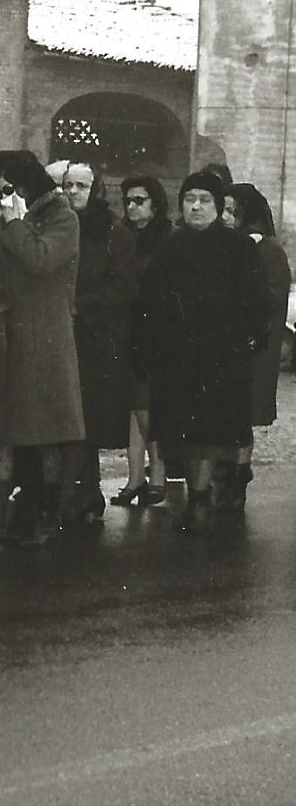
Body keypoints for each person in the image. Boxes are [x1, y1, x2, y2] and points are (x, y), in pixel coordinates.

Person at [134, 172, 270, 532]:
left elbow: (257, 303)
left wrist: (248, 340)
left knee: (209, 436)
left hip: (221, 360)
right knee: (184, 435)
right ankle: (199, 494)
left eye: (204, 199)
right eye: (189, 198)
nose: (195, 206)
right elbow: (149, 302)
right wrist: (147, 347)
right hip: (177, 361)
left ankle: (199, 500)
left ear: (218, 205)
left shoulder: (239, 248)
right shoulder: (170, 247)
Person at [0, 150, 85, 545]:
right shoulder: (15, 217)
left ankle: (47, 516)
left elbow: (41, 259)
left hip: (43, 339)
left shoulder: (63, 218)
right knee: (2, 431)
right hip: (8, 334)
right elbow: (9, 267)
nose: (4, 197)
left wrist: (13, 224)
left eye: (9, 188)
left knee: (43, 430)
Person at [59, 162, 136, 524]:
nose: (73, 192)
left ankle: (85, 492)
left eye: (81, 186)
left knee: (87, 418)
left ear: (96, 189)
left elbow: (122, 286)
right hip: (63, 335)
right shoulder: (60, 228)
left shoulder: (113, 233)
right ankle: (78, 491)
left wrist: (81, 305)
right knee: (68, 417)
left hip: (97, 338)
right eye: (68, 185)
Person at [220, 183, 292, 510]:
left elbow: (274, 297)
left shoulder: (269, 249)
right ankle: (225, 470)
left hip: (253, 346)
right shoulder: (224, 244)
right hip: (225, 343)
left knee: (242, 413)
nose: (226, 217)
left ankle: (238, 471)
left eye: (233, 211)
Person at [115, 175, 172, 505]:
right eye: (128, 201)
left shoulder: (167, 237)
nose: (132, 206)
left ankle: (158, 475)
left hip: (154, 334)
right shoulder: (122, 236)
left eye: (139, 200)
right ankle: (135, 477)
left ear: (155, 203)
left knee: (147, 408)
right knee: (131, 411)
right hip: (125, 329)